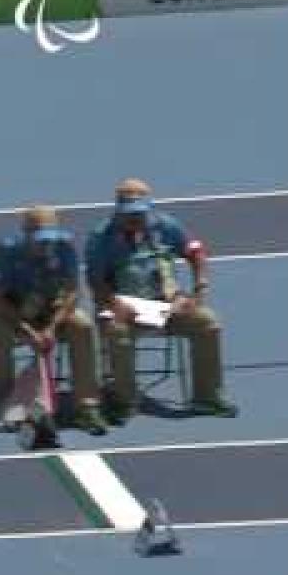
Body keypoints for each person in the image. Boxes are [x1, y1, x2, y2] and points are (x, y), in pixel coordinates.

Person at [85, 178, 238, 423]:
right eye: (128, 214)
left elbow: (195, 252)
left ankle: (206, 397)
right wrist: (115, 304)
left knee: (207, 323)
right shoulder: (101, 237)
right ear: (118, 210)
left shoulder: (166, 225)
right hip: (122, 308)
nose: (135, 219)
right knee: (116, 331)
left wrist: (198, 289)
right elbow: (95, 281)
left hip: (168, 306)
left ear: (149, 207)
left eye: (139, 213)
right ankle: (124, 400)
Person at [0, 205, 108, 436]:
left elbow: (72, 293)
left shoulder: (64, 247)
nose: (46, 245)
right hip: (15, 315)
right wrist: (29, 331)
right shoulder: (4, 251)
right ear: (26, 234)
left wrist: (51, 328)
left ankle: (87, 406)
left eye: (49, 238)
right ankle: (8, 403)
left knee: (82, 325)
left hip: (50, 314)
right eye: (40, 240)